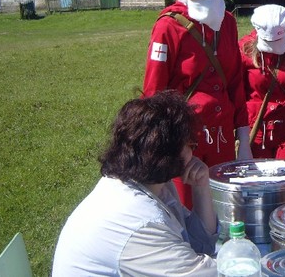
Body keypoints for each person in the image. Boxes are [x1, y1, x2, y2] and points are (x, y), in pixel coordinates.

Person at [52, 91, 218, 276]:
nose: (193, 151)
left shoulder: (144, 185)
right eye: (190, 144)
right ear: (166, 155)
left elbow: (202, 242)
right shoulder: (141, 223)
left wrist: (201, 187)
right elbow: (206, 274)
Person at [142, 0, 252, 208]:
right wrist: (168, 142)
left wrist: (243, 139)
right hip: (184, 138)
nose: (210, 1)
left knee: (222, 208)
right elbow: (153, 90)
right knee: (186, 210)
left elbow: (235, 81)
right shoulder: (168, 27)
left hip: (222, 136)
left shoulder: (228, 22)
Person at [239, 4, 285, 160]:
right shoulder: (245, 49)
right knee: (259, 181)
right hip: (257, 128)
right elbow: (238, 93)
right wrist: (242, 135)